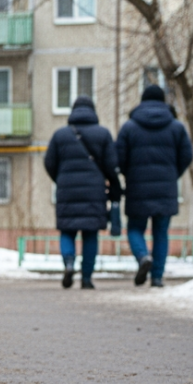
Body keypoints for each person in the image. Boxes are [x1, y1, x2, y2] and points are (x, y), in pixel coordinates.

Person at [116, 85, 193, 287]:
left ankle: (143, 257)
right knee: (161, 233)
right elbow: (187, 156)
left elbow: (118, 158)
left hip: (137, 187)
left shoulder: (129, 127)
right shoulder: (176, 127)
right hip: (166, 188)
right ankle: (157, 277)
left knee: (135, 228)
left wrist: (129, 174)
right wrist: (172, 174)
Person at [44, 95, 121, 289]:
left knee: (67, 231)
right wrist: (113, 187)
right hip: (94, 191)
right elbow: (112, 166)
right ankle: (86, 278)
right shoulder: (103, 134)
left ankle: (69, 263)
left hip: (66, 191)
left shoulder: (60, 135)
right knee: (90, 235)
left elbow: (49, 162)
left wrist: (60, 179)